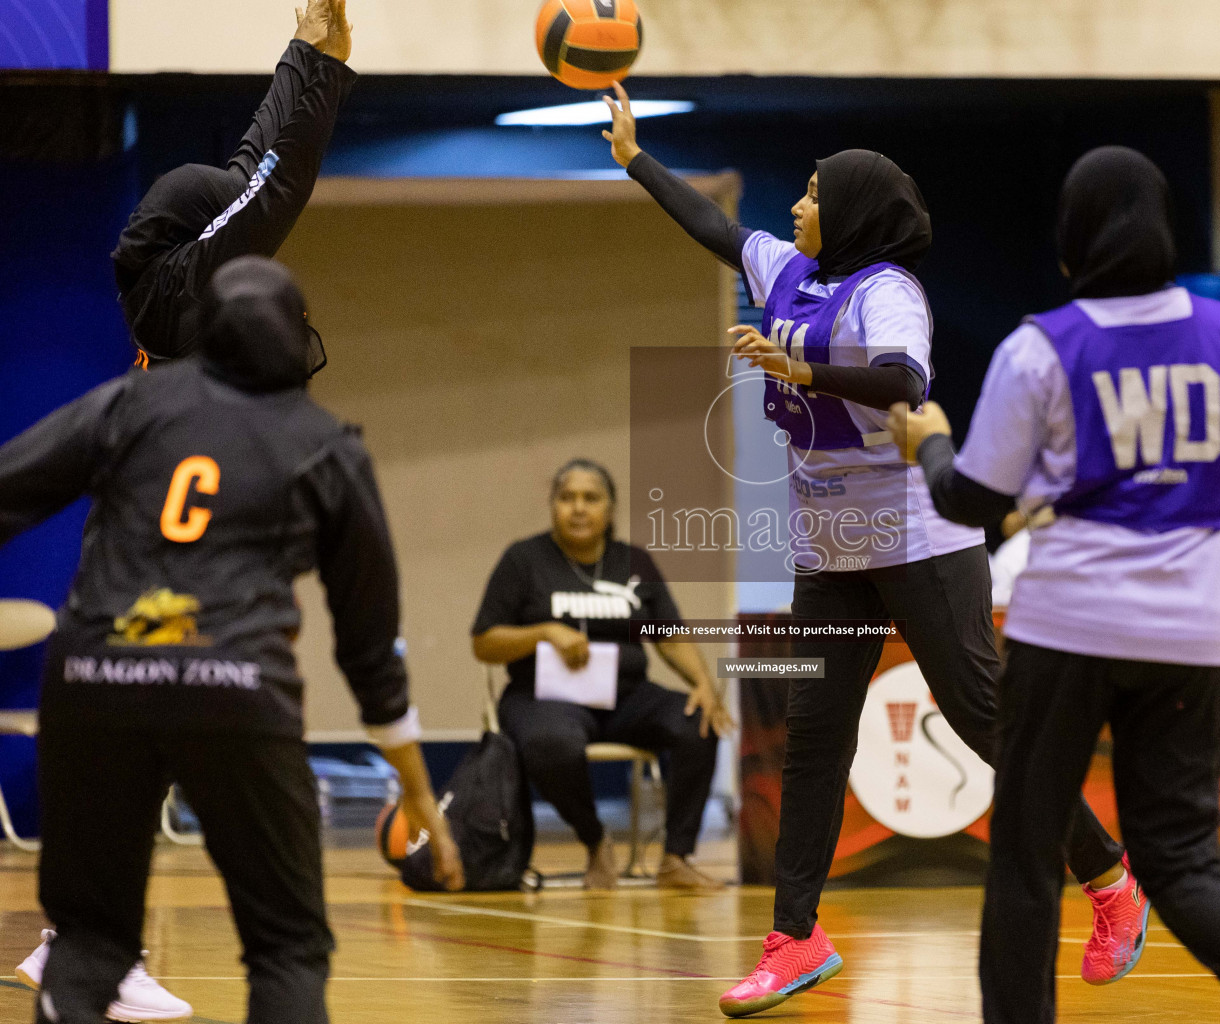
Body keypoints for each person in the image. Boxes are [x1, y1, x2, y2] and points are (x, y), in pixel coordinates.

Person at [603, 84, 1141, 1018]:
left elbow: (899, 384)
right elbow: (713, 228)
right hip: (828, 543)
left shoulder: (886, 291)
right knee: (815, 734)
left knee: (982, 718)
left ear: (851, 211)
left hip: (918, 534)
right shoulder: (783, 271)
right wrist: (635, 160)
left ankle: (1109, 882)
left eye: (813, 193)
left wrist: (800, 369)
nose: (798, 205)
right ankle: (795, 938)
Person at [894, 147, 1220, 1024]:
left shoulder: (1042, 347)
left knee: (1028, 856)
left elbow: (969, 497)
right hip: (1198, 626)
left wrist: (925, 439)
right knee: (1182, 853)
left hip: (1074, 622)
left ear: (1072, 235)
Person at [0, 256, 463, 1024]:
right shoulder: (326, 444)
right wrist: (419, 793)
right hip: (236, 688)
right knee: (286, 947)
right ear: (296, 335)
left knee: (87, 941)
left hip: (93, 679)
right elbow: (369, 646)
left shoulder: (128, 405)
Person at [471, 459, 734, 892]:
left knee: (698, 721)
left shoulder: (634, 563)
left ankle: (675, 858)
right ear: (553, 505)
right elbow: (484, 641)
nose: (578, 508)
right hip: (544, 696)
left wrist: (702, 683)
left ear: (610, 510)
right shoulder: (524, 560)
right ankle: (595, 841)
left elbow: (668, 636)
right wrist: (546, 633)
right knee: (551, 741)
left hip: (625, 695)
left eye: (590, 498)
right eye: (567, 497)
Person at [111, 0, 354, 365]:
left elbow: (284, 187)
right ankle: (305, 45)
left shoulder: (187, 309)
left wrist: (331, 70)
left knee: (266, 198)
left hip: (162, 259)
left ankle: (309, 50)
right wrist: (304, 53)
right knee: (249, 184)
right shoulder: (194, 315)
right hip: (160, 252)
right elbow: (263, 173)